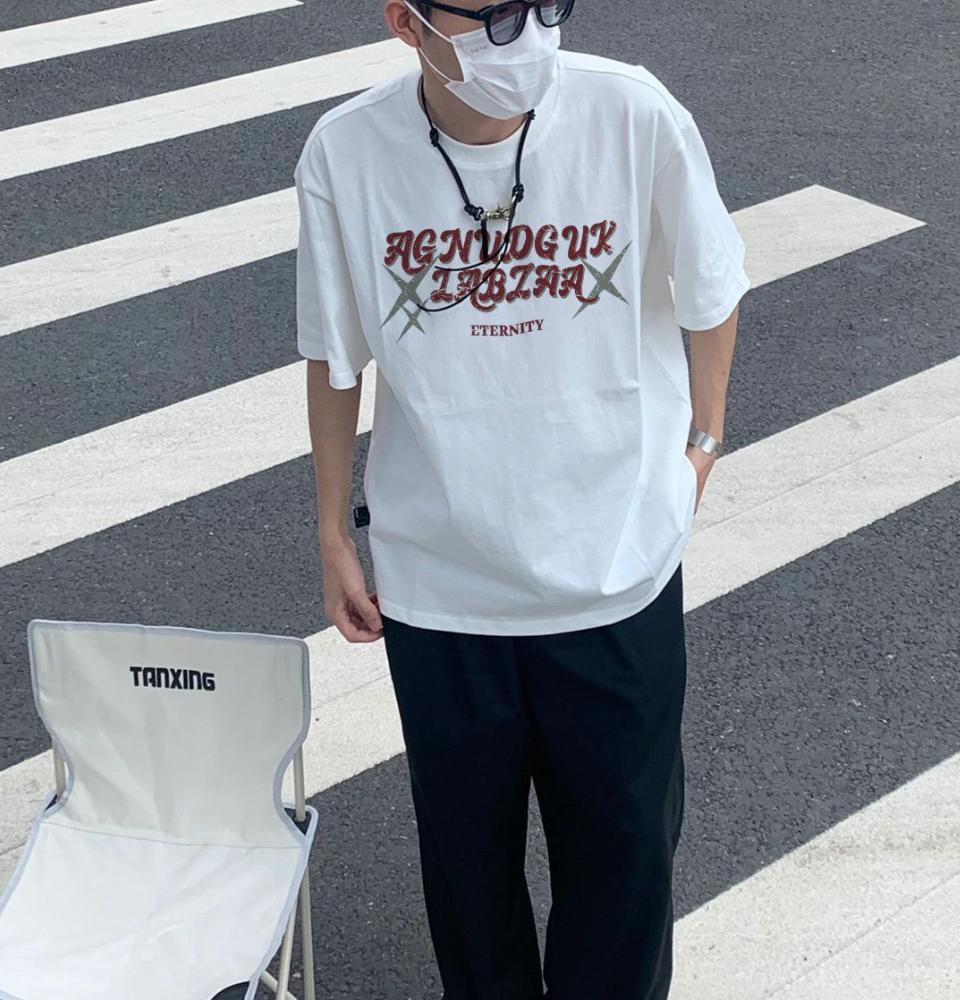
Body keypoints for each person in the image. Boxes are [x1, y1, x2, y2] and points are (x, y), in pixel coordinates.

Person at [294, 0, 750, 996]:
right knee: (468, 876)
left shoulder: (633, 114)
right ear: (406, 23)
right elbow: (334, 354)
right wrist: (332, 531)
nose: (531, 38)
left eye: (548, 6)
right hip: (441, 586)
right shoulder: (346, 153)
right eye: (497, 18)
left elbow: (713, 287)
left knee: (623, 870)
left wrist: (702, 445)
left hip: (614, 574)